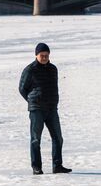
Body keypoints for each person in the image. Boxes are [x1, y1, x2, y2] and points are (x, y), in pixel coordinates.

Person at [19, 43, 72, 175]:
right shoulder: (29, 70)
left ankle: (57, 166)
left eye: (46, 55)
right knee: (36, 139)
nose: (44, 58)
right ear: (36, 55)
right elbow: (22, 89)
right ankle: (36, 167)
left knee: (58, 138)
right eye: (41, 55)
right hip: (37, 109)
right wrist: (32, 100)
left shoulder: (53, 69)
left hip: (52, 109)